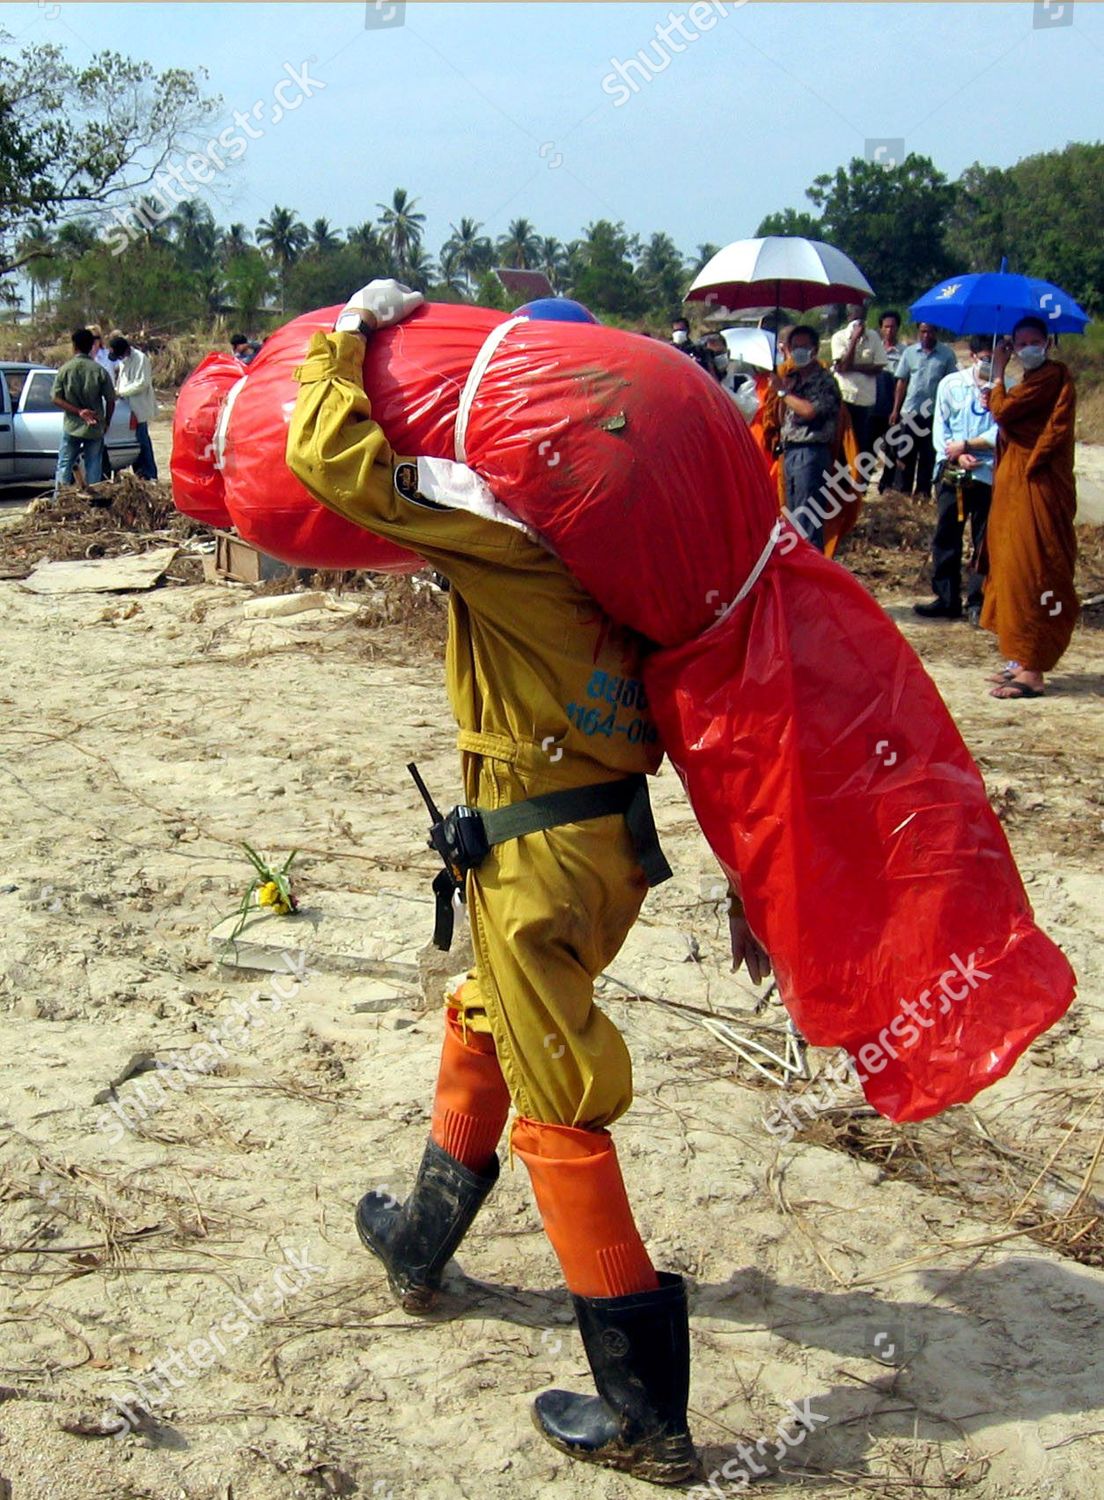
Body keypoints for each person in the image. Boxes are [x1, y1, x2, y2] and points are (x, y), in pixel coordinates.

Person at [285, 281, 761, 1484]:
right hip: (605, 856)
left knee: (561, 1109)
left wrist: (345, 341)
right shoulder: (647, 568)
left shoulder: (512, 549)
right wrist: (752, 869)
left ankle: (649, 1419)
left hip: (535, 861)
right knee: (485, 1013)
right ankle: (420, 1242)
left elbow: (331, 466)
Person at [981, 316, 1079, 699]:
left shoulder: (1051, 377)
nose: (1027, 349)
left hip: (1039, 485)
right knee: (1010, 568)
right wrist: (998, 395)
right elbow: (1007, 414)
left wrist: (998, 375)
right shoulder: (1029, 382)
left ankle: (1034, 670)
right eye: (1020, 343)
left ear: (1048, 343)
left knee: (1035, 569)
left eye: (1033, 341)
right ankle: (1020, 659)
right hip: (1015, 485)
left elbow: (1004, 411)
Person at [913, 336, 997, 624]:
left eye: (994, 358)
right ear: (972, 356)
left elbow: (1002, 431)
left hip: (988, 471)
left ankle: (978, 600)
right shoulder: (951, 385)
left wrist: (970, 445)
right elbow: (941, 427)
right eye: (984, 358)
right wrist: (956, 453)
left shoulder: (1008, 389)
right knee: (947, 535)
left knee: (985, 539)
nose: (989, 363)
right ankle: (946, 597)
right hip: (952, 470)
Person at [769, 324, 841, 550]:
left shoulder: (825, 381)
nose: (799, 351)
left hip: (811, 453)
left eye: (804, 346)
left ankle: (812, 563)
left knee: (807, 521)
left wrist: (783, 393)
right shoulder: (791, 378)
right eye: (794, 347)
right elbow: (782, 416)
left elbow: (810, 411)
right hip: (790, 451)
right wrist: (781, 389)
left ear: (815, 349)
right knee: (791, 519)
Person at [888, 322, 957, 497]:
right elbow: (902, 382)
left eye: (930, 332)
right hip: (910, 411)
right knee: (904, 454)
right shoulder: (909, 353)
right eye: (923, 331)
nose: (926, 335)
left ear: (936, 332)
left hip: (933, 414)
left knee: (927, 455)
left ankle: (923, 493)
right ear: (919, 332)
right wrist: (895, 410)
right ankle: (902, 491)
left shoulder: (947, 355)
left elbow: (951, 384)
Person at [51, 328, 116, 491]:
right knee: (94, 465)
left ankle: (61, 498)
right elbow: (111, 400)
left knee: (64, 465)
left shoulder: (65, 370)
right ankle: (93, 499)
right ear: (91, 346)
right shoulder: (99, 370)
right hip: (94, 427)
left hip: (72, 426)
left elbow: (56, 398)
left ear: (74, 346)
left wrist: (78, 412)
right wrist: (107, 422)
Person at [829, 303, 886, 454]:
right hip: (845, 397)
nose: (859, 324)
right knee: (842, 443)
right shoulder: (839, 337)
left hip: (865, 399)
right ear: (849, 318)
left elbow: (878, 367)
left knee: (861, 443)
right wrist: (854, 339)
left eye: (861, 319)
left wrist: (852, 367)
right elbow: (842, 366)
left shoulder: (873, 337)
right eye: (855, 319)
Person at [108, 332, 159, 480]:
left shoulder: (140, 359)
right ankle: (139, 474)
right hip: (126, 407)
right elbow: (122, 380)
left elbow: (142, 383)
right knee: (133, 444)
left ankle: (150, 474)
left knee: (142, 441)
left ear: (125, 351)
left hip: (138, 406)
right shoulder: (123, 360)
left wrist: (121, 392)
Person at [868, 310, 903, 492]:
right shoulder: (873, 349)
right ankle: (862, 485)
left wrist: (896, 409)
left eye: (893, 327)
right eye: (886, 327)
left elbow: (903, 382)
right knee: (868, 448)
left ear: (898, 328)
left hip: (893, 408)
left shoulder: (904, 353)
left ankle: (887, 485)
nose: (889, 331)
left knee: (892, 449)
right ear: (881, 328)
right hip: (872, 406)